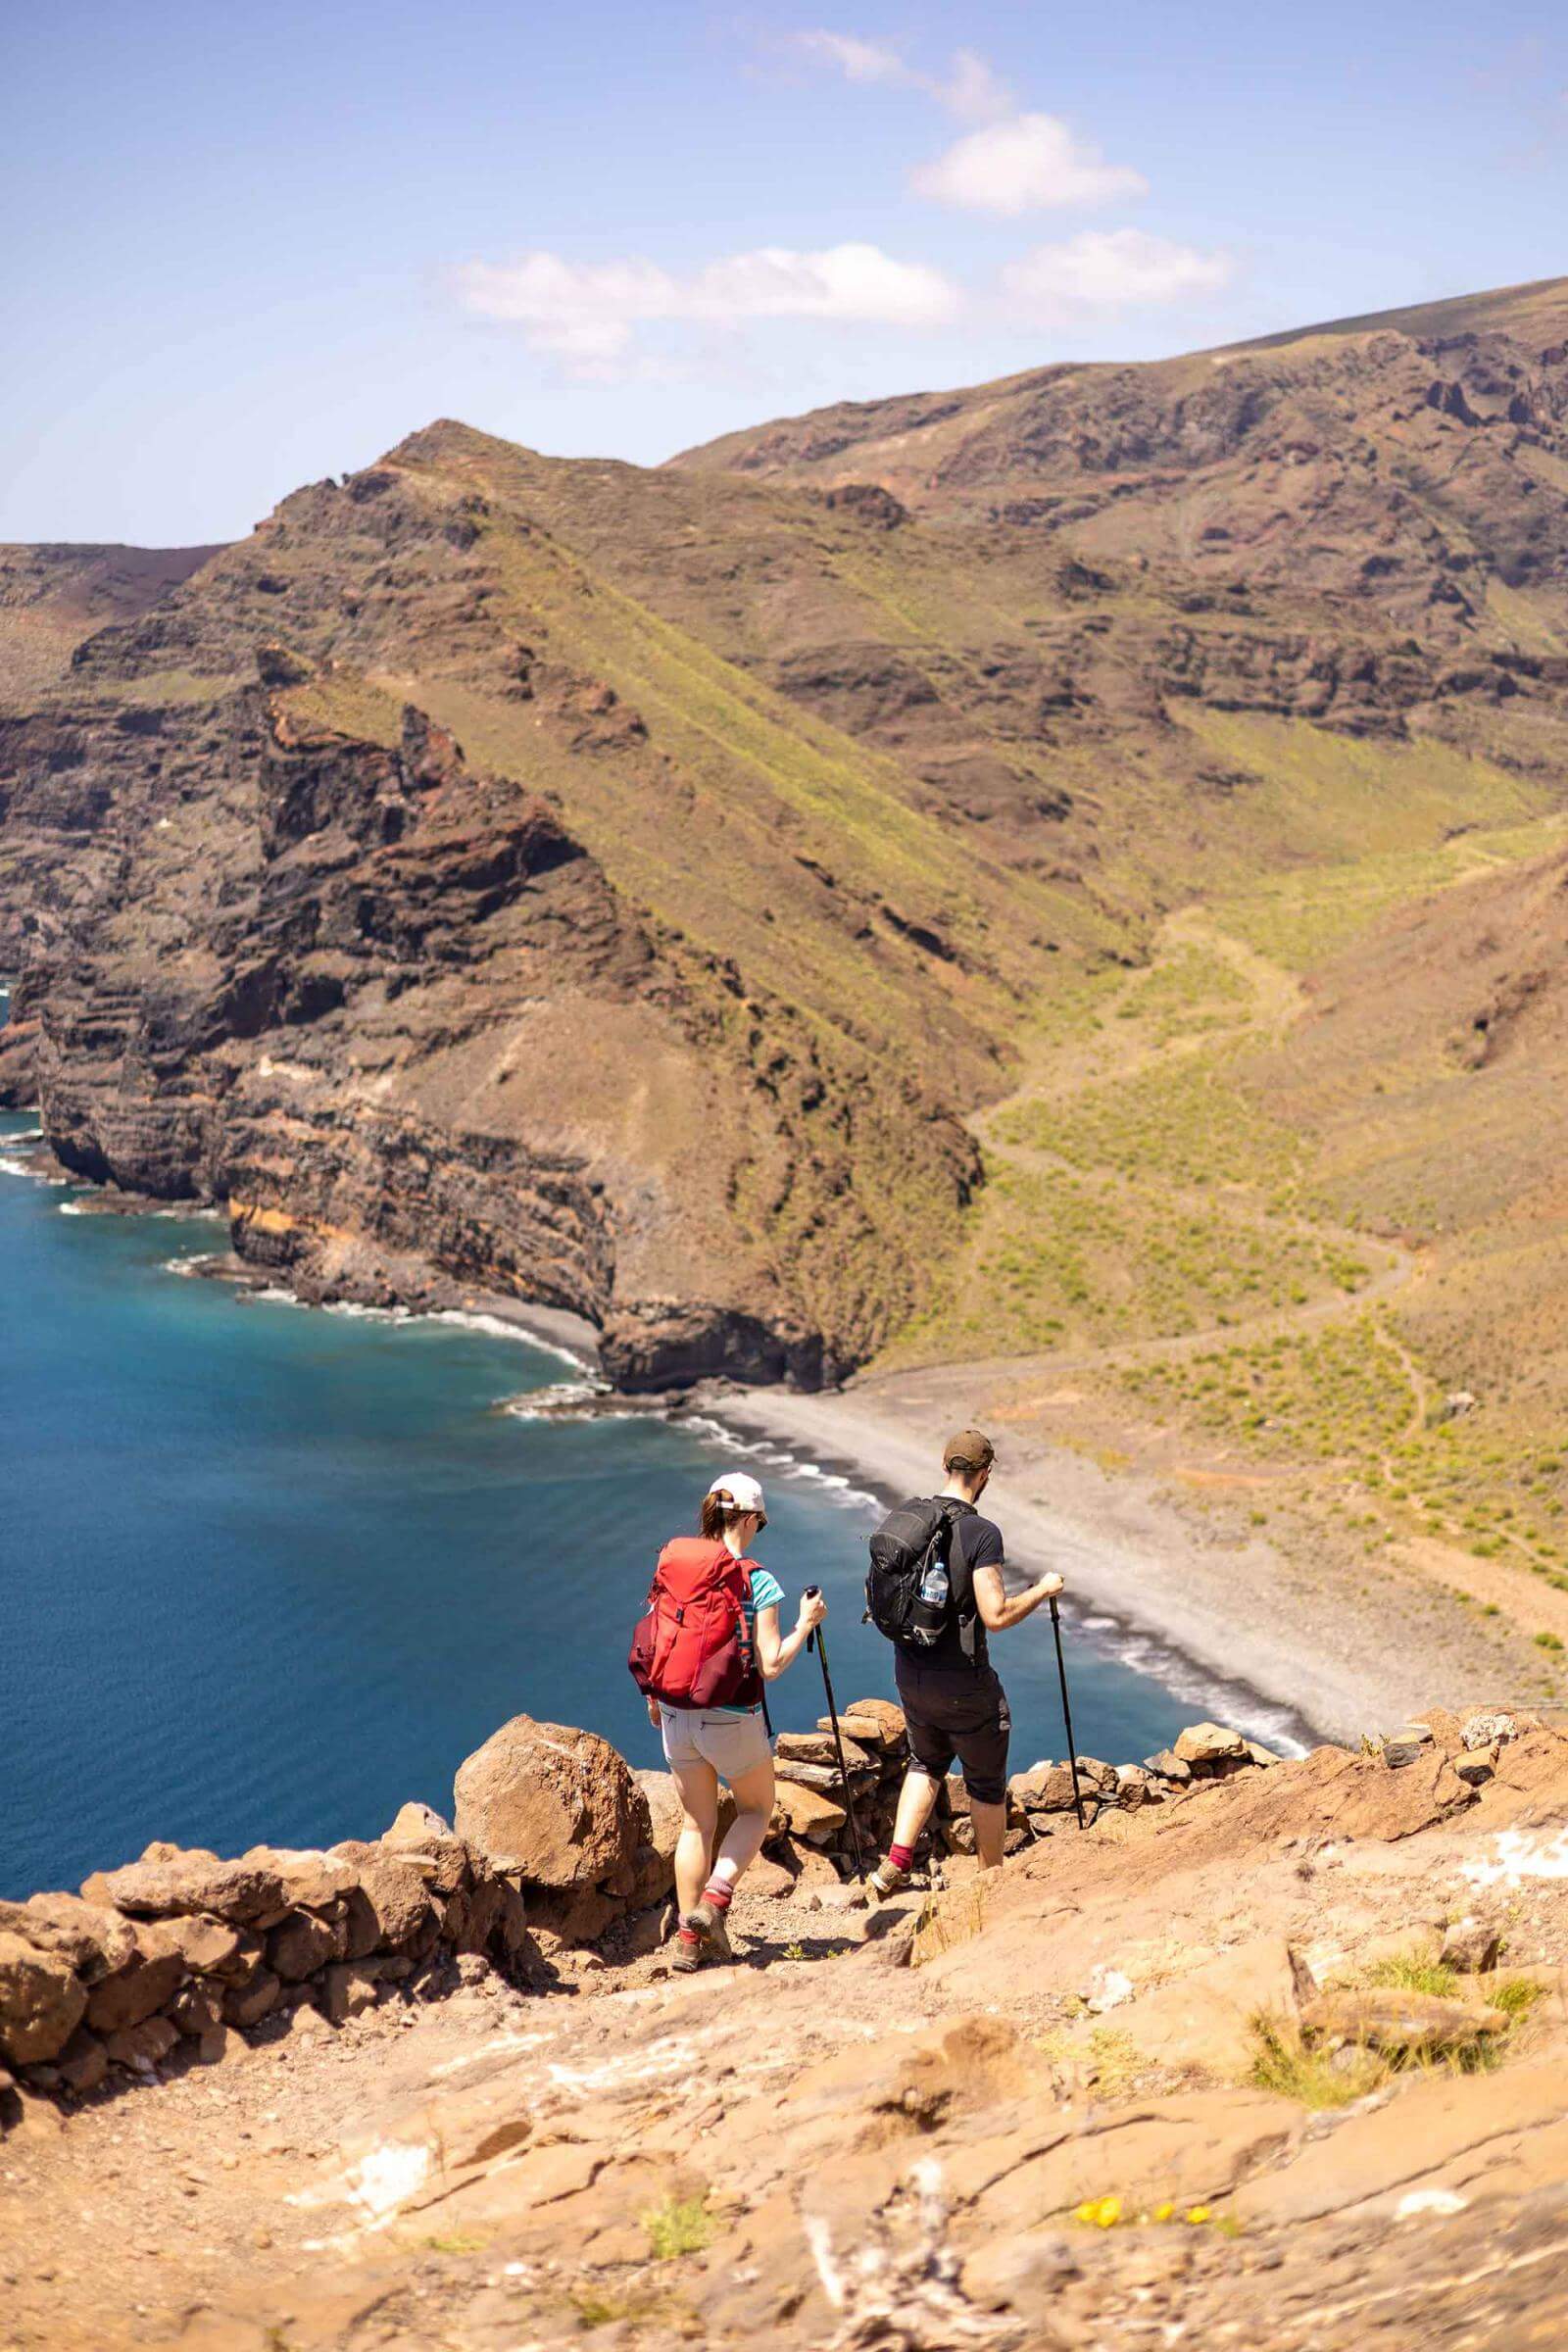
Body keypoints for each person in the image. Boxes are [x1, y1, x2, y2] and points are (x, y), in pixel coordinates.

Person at [869, 1429, 1062, 1896]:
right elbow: (995, 1615)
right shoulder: (982, 1533)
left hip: (910, 1674)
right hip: (964, 1683)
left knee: (925, 1762)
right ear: (986, 1474)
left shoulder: (910, 1518)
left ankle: (896, 1861)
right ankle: (990, 1883)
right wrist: (1042, 1590)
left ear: (945, 1466)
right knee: (986, 1784)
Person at [646, 1470, 825, 1970]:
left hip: (675, 1712)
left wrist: (655, 1701)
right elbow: (770, 1665)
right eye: (759, 1523)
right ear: (748, 1520)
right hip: (731, 1719)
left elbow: (658, 1641)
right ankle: (715, 1900)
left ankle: (689, 1941)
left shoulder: (674, 1567)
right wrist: (805, 1624)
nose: (758, 1530)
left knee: (696, 1823)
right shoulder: (757, 1579)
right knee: (756, 1810)